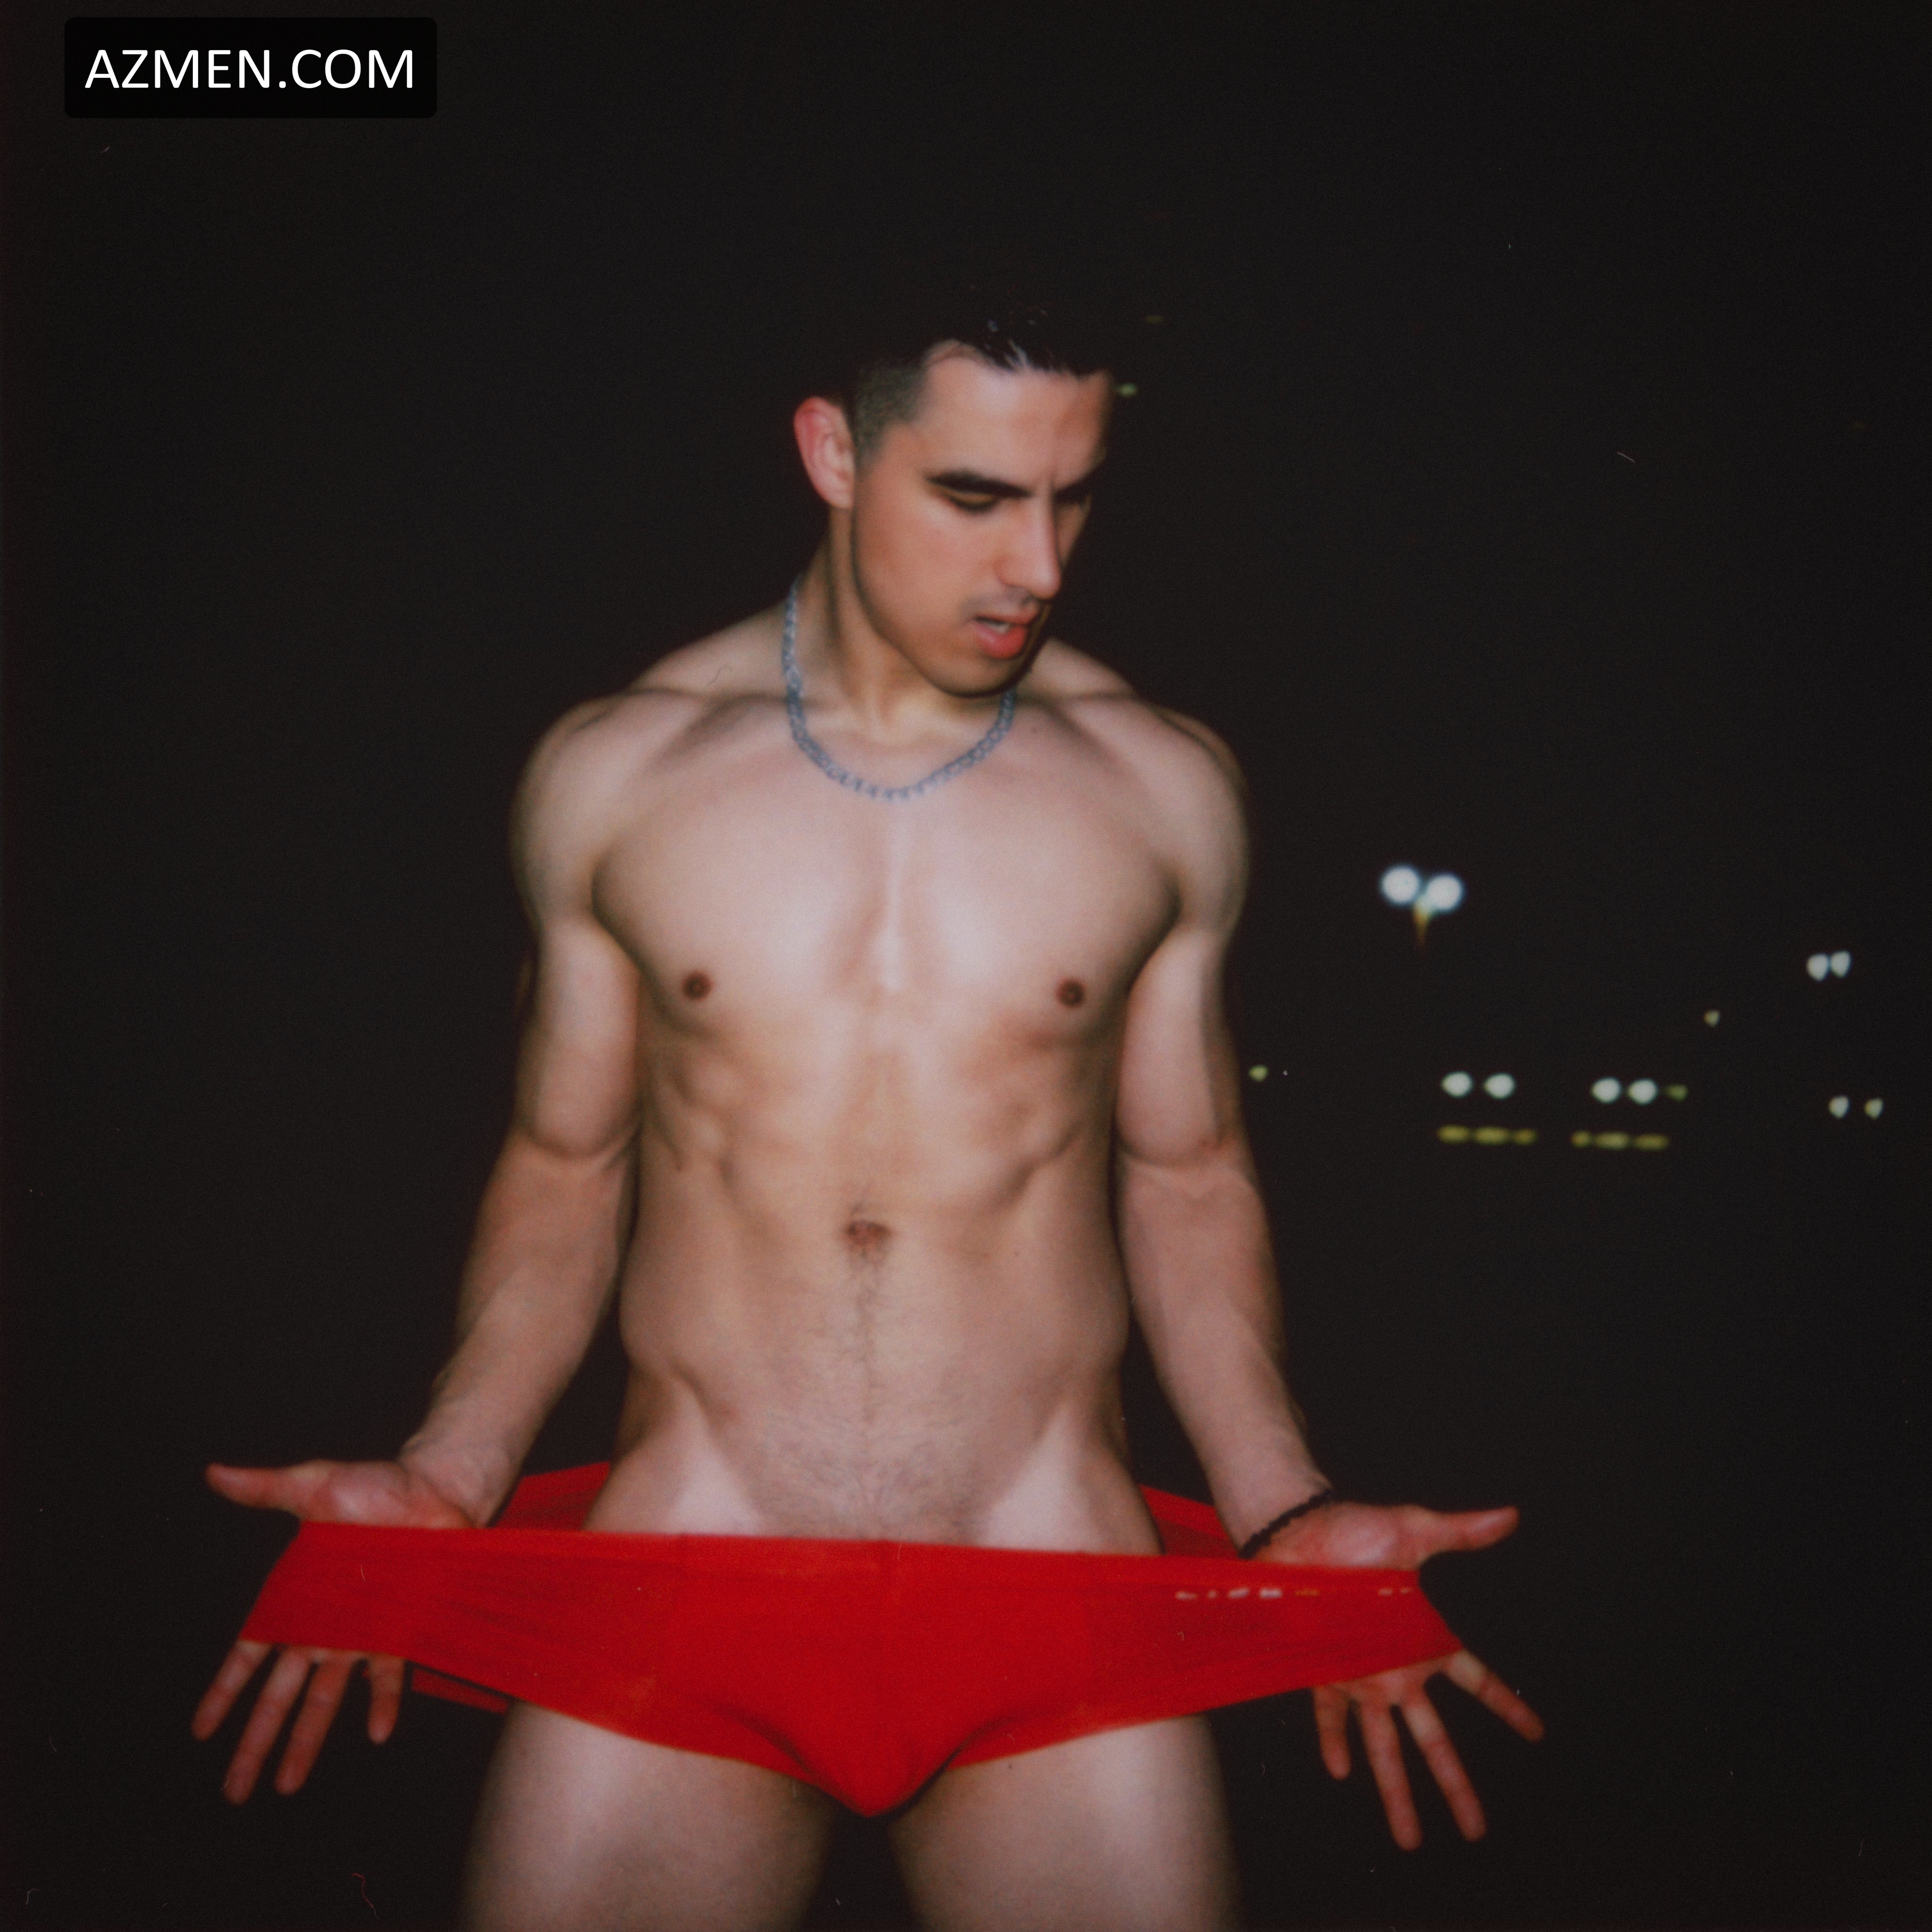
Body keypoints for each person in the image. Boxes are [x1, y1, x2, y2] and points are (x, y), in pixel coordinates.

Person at [194, 258, 1542, 1932]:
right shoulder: (618, 772)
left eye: (1071, 499)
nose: (1037, 565)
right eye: (975, 498)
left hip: (1050, 1572)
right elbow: (564, 1167)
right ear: (833, 451)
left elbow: (1189, 1177)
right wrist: (447, 1475)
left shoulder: (1163, 786)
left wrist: (1287, 1506)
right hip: (690, 1561)